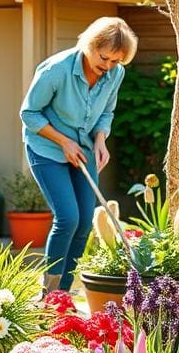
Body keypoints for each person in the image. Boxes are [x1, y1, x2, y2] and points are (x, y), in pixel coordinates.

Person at [19, 16, 138, 293]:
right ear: (90, 44)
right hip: (47, 148)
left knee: (85, 221)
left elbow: (106, 112)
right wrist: (63, 141)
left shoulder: (115, 74)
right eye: (104, 57)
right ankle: (48, 295)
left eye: (116, 61)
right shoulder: (57, 70)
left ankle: (64, 292)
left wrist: (100, 139)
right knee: (68, 218)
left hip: (83, 149)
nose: (108, 66)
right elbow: (29, 113)